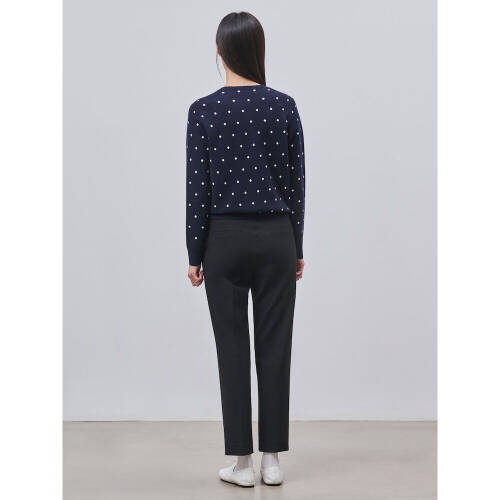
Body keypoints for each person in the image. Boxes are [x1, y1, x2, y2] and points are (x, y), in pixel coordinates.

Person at [185, 11, 305, 488]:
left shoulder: (203, 110)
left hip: (224, 241)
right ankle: (272, 460)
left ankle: (241, 463)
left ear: (220, 50)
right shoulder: (284, 106)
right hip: (277, 237)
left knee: (232, 351)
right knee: (275, 347)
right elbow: (296, 185)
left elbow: (198, 189)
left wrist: (194, 252)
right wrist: (297, 244)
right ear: (259, 50)